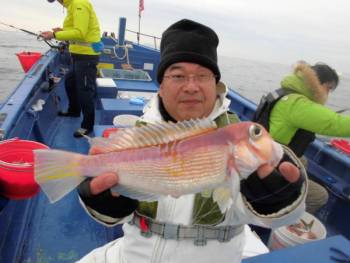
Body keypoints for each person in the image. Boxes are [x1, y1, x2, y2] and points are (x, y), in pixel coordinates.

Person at [76, 19, 307, 263]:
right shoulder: (138, 135)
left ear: (216, 84)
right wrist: (101, 205)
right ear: (161, 86)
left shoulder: (240, 140)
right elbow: (111, 215)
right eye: (178, 76)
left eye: (202, 76)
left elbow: (284, 219)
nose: (191, 87)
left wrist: (279, 200)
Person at [254, 61, 350, 214]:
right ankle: (283, 219)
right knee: (319, 196)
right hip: (267, 165)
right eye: (329, 88)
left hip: (262, 153)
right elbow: (336, 124)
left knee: (303, 161)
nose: (328, 94)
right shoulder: (297, 104)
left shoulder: (285, 93)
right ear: (320, 84)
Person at [41, 0, 102, 138]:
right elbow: (78, 31)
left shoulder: (79, 4)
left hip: (87, 57)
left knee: (85, 91)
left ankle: (87, 126)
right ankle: (74, 110)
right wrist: (63, 32)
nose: (58, 2)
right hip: (78, 56)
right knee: (69, 82)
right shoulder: (72, 5)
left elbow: (80, 33)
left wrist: (54, 35)